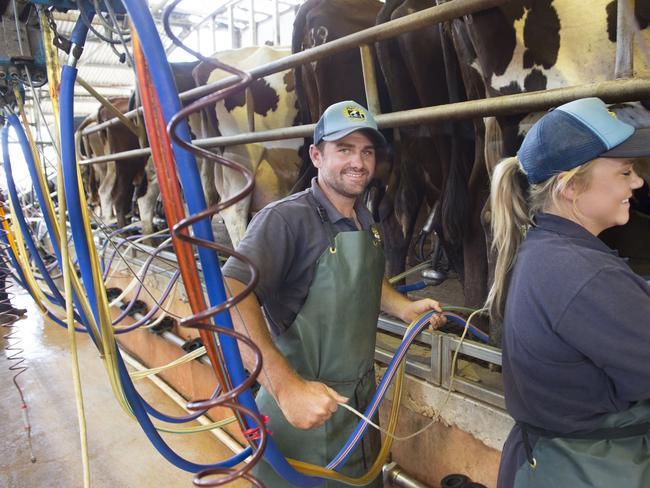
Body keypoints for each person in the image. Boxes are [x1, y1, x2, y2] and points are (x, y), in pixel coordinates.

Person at [223, 100, 445, 487]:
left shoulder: (364, 216)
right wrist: (284, 386)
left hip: (359, 407)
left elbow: (364, 277)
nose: (358, 162)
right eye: (344, 149)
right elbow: (230, 293)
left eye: (367, 151)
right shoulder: (286, 219)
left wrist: (404, 308)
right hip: (304, 413)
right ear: (316, 154)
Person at [487, 97, 650, 488]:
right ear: (571, 186)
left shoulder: (548, 248)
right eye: (625, 172)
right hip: (589, 471)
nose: (638, 182)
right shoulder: (583, 274)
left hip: (549, 462)